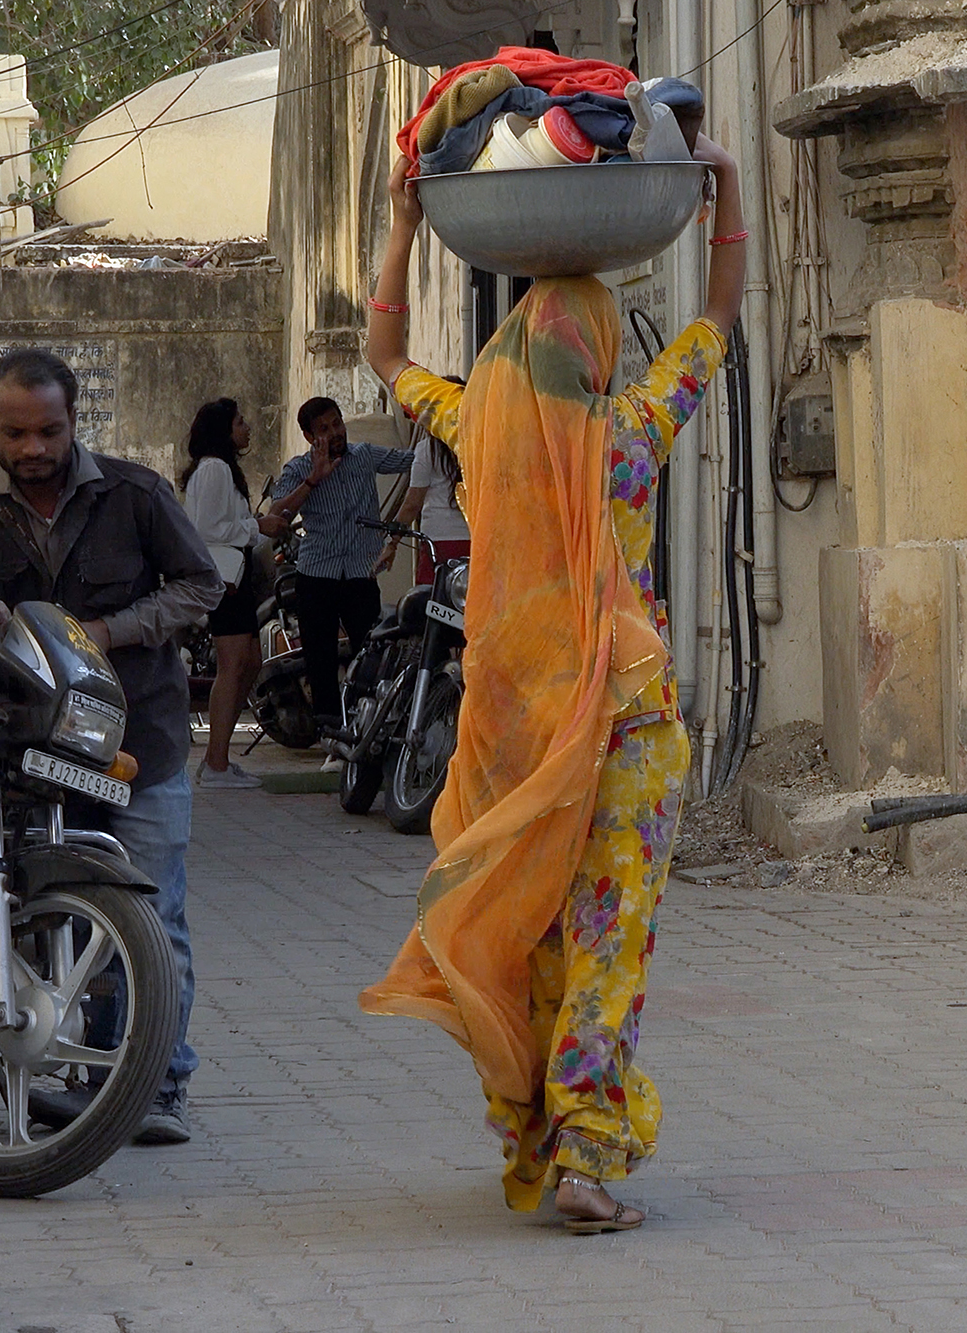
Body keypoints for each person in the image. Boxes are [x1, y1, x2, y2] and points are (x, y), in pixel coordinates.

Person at [359, 131, 746, 1232]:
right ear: (597, 355)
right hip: (627, 724)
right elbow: (720, 317)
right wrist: (724, 185)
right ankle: (584, 1152)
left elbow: (383, 354)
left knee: (530, 929)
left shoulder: (476, 429)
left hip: (520, 728)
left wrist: (404, 224)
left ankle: (532, 1129)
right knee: (608, 937)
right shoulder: (630, 433)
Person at [0, 348, 225, 1145]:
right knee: (63, 917)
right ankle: (93, 1077)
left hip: (139, 744)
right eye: (15, 433)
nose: (32, 448)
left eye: (48, 431)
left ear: (74, 420)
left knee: (153, 918)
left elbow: (201, 585)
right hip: (32, 752)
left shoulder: (135, 493)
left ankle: (159, 1084)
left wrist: (110, 632)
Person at [262, 398, 412, 730]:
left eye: (337, 424)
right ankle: (329, 733)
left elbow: (414, 462)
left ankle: (366, 728)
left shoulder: (365, 456)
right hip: (317, 576)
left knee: (370, 655)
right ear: (309, 437)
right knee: (321, 661)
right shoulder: (298, 469)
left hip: (361, 575)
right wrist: (314, 479)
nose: (335, 433)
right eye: (324, 429)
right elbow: (277, 515)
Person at [180, 398, 264, 788]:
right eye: (240, 422)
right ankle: (215, 762)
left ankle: (220, 755)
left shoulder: (223, 469)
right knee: (233, 665)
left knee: (251, 660)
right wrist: (256, 527)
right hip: (226, 576)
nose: (246, 428)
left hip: (239, 573)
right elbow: (208, 529)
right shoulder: (214, 468)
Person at [383, 387, 471, 585]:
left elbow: (412, 504)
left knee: (430, 596)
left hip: (438, 541)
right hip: (475, 539)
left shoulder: (427, 450)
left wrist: (392, 543)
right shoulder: (478, 447)